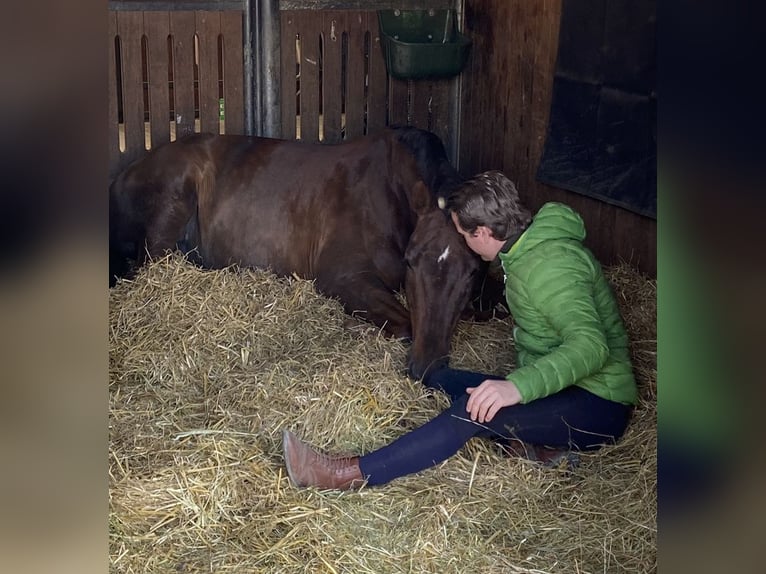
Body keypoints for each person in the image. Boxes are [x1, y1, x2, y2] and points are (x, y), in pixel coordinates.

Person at [282, 171, 638, 490]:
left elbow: (591, 347)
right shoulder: (524, 251)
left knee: (470, 411)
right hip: (562, 388)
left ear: (483, 232)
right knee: (438, 377)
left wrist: (516, 387)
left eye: (464, 234)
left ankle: (346, 474)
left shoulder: (550, 266)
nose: (464, 243)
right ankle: (536, 446)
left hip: (599, 404)